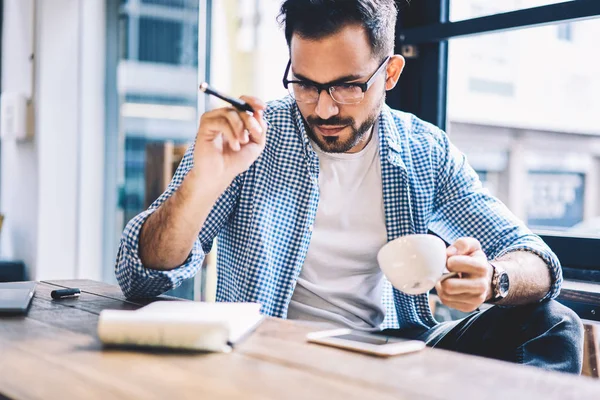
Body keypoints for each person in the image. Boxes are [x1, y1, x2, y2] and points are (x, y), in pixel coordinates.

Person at [115, 0, 583, 373]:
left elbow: (537, 260)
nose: (322, 109)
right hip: (267, 350)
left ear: (391, 73)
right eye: (305, 84)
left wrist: (493, 281)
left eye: (347, 87)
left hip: (394, 353)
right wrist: (204, 181)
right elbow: (140, 277)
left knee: (553, 325)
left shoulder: (425, 151)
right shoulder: (249, 140)